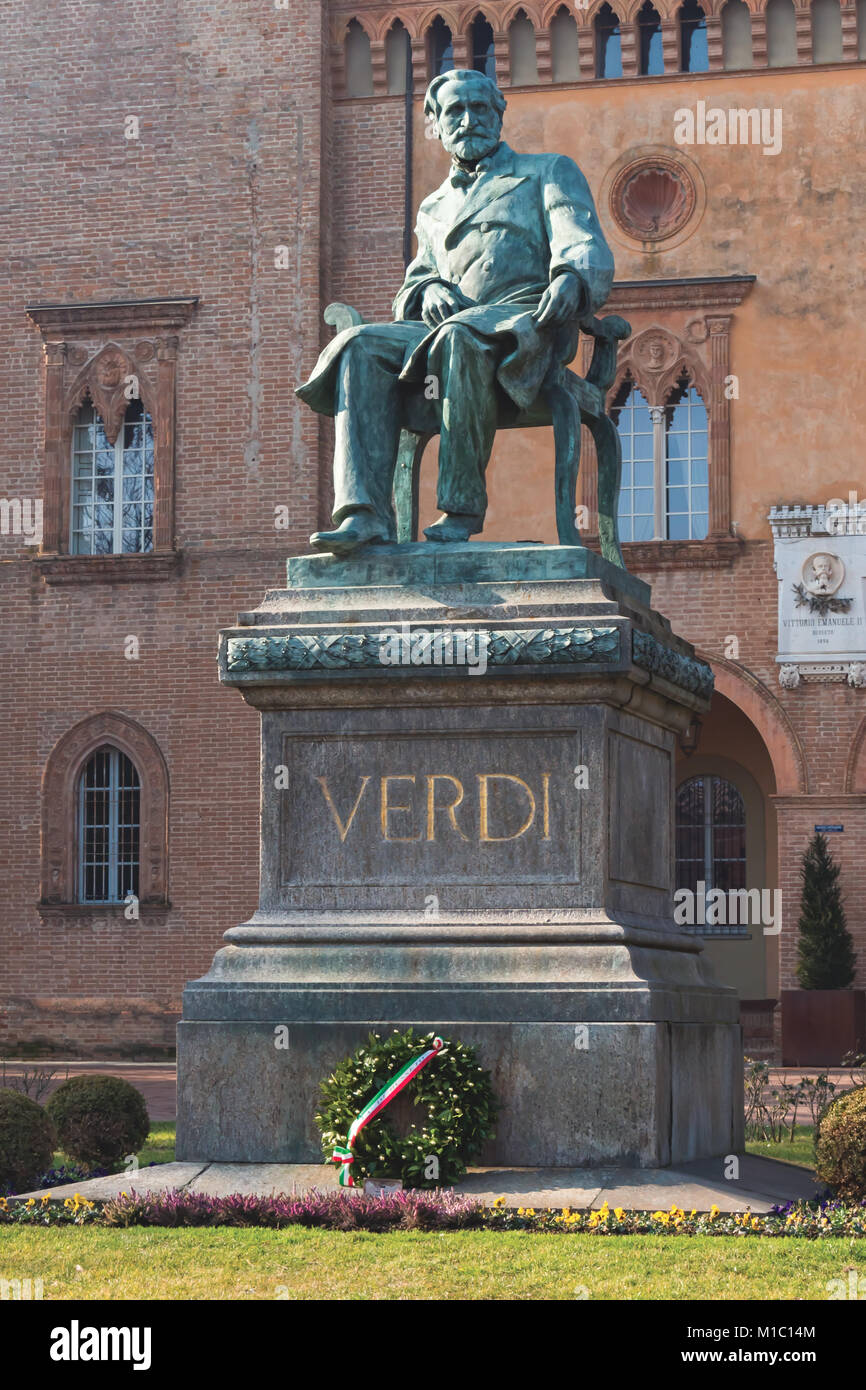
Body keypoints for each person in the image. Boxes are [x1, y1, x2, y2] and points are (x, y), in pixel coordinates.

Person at [296, 67, 614, 556]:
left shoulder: (547, 171)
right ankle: (364, 514)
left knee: (459, 338)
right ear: (437, 123)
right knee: (359, 345)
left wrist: (571, 277)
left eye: (480, 108)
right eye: (455, 111)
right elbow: (415, 280)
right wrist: (427, 291)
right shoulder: (434, 207)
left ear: (499, 114)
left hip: (526, 323)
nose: (469, 120)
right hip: (448, 325)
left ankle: (461, 507)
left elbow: (584, 243)